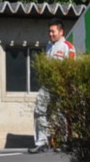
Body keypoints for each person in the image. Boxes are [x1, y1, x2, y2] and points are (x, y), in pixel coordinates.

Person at [32, 21, 75, 153]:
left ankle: (65, 141)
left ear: (61, 32)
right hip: (47, 85)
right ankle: (41, 142)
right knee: (39, 110)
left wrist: (67, 86)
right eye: (49, 31)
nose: (50, 34)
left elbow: (71, 68)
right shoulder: (48, 46)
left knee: (61, 114)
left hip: (61, 85)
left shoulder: (68, 47)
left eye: (53, 31)